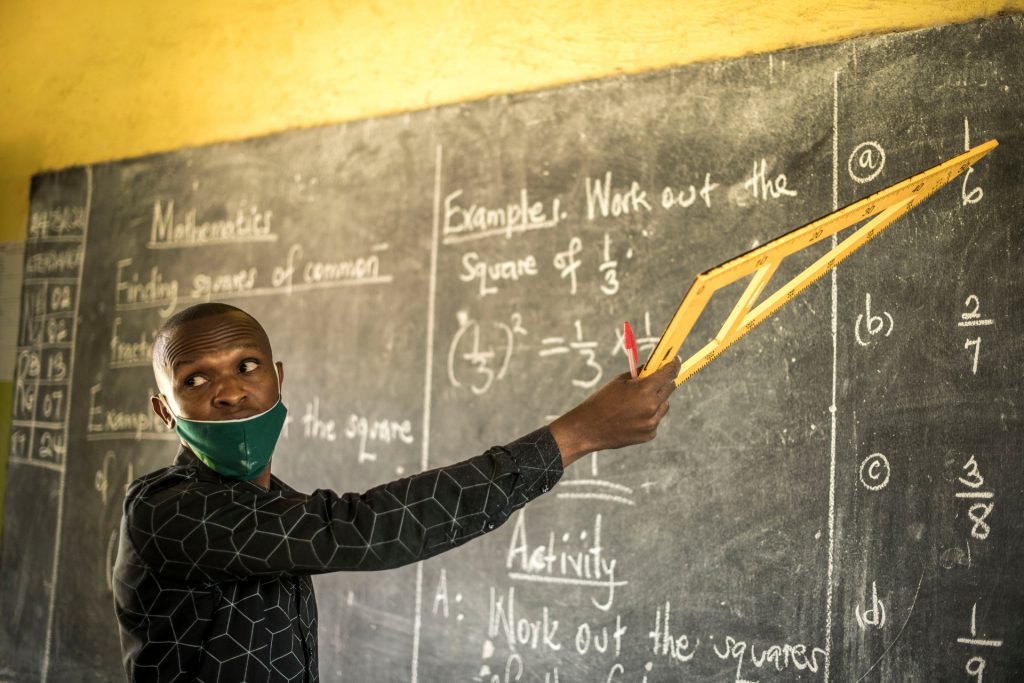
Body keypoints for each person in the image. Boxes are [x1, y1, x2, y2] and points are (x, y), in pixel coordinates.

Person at [113, 302, 680, 682]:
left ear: (277, 378)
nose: (231, 392)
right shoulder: (165, 509)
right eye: (196, 378)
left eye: (246, 365)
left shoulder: (274, 505)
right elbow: (367, 529)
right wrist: (575, 434)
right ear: (165, 410)